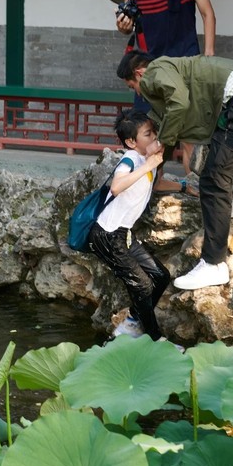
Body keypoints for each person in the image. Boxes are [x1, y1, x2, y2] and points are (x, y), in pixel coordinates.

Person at [117, 51, 233, 291]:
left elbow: (178, 104)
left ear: (139, 73)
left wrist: (161, 142)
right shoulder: (176, 70)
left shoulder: (156, 71)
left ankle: (213, 264)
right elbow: (169, 119)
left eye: (134, 86)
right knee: (221, 150)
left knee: (214, 180)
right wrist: (157, 166)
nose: (138, 93)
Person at [115, 0, 216, 176]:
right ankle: (148, 188)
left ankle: (193, 189)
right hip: (147, 69)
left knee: (190, 132)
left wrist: (209, 54)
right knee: (146, 131)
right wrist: (122, 25)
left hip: (185, 62)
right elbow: (129, 21)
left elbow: (207, 13)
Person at [87, 109, 171, 340]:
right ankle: (155, 340)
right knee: (143, 286)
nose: (154, 138)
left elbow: (155, 184)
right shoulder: (131, 159)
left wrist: (185, 187)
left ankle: (132, 321)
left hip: (123, 234)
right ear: (131, 142)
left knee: (161, 276)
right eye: (148, 135)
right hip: (106, 234)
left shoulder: (146, 161)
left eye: (154, 133)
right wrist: (149, 163)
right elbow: (116, 186)